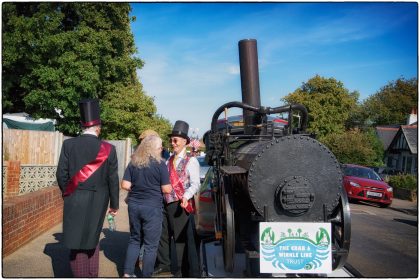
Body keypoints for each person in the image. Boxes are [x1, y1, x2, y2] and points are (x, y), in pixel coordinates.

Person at [56, 98, 119, 277]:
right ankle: (92, 274)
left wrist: (68, 193)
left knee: (76, 243)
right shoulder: (109, 148)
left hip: (74, 197)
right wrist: (114, 205)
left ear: (83, 126)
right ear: (97, 128)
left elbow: (61, 174)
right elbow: (112, 180)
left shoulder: (68, 144)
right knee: (93, 237)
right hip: (99, 200)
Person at [154, 120, 201, 277]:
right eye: (172, 140)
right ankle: (164, 265)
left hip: (180, 205)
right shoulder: (168, 160)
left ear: (185, 142)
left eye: (176, 140)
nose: (172, 143)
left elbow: (195, 184)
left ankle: (181, 270)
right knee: (163, 236)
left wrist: (186, 196)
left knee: (180, 241)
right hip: (164, 203)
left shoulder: (192, 161)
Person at [122, 135, 173, 277]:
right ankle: (146, 276)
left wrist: (138, 189)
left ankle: (127, 273)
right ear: (154, 148)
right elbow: (166, 189)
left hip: (134, 206)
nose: (161, 149)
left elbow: (125, 185)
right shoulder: (160, 164)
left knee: (135, 239)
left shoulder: (134, 162)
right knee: (151, 246)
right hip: (152, 208)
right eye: (160, 147)